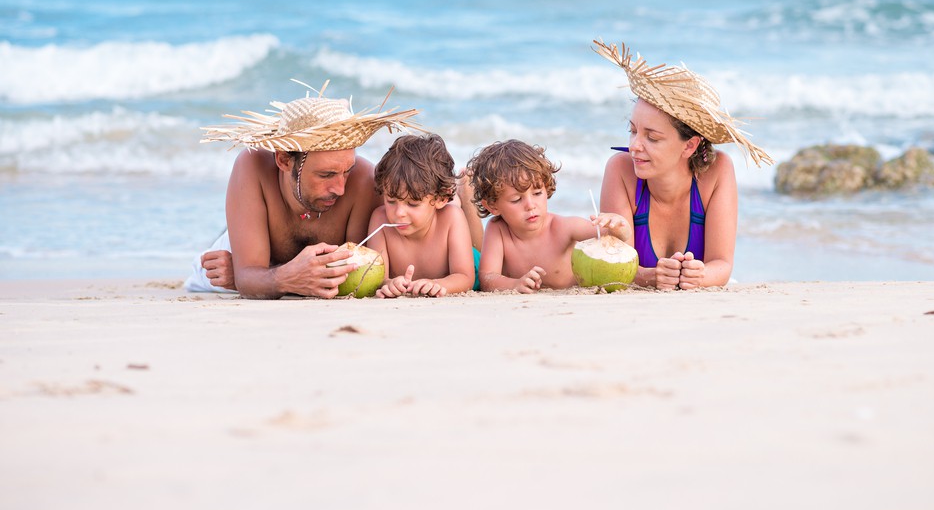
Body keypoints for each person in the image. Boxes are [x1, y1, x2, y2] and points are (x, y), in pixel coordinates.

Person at [191, 86, 421, 299]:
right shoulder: (254, 166)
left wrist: (260, 276)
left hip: (268, 266)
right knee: (207, 273)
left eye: (346, 171)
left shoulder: (364, 182)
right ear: (283, 160)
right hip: (241, 244)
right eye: (326, 175)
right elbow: (247, 279)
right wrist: (250, 277)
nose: (340, 189)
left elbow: (354, 278)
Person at [593, 40, 773, 290]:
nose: (635, 146)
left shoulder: (718, 171)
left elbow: (721, 264)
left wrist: (699, 276)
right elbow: (614, 264)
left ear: (689, 146)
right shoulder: (620, 170)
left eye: (652, 137)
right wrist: (650, 277)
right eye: (632, 131)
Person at [468, 139, 629, 293]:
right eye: (516, 199)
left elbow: (616, 238)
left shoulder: (565, 227)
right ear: (493, 206)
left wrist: (618, 224)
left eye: (537, 193)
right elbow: (487, 278)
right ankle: (464, 188)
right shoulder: (498, 230)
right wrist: (515, 284)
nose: (530, 205)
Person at [365, 133, 477, 298]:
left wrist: (438, 284)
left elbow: (465, 278)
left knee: (475, 244)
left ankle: (465, 190)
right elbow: (379, 278)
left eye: (412, 204)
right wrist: (390, 284)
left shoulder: (452, 218)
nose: (399, 213)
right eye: (391, 201)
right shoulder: (380, 220)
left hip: (472, 259)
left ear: (440, 199)